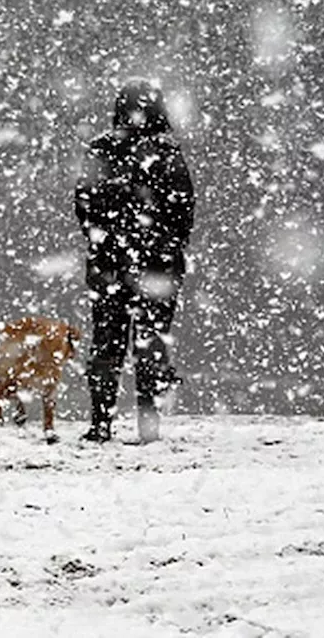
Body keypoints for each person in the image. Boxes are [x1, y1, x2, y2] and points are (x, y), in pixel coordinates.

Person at [73, 78, 196, 443]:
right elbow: (182, 209)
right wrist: (164, 247)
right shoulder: (167, 154)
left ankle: (100, 423)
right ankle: (148, 422)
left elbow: (84, 205)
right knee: (151, 341)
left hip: (108, 264)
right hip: (156, 267)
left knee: (106, 343)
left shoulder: (101, 149)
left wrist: (106, 239)